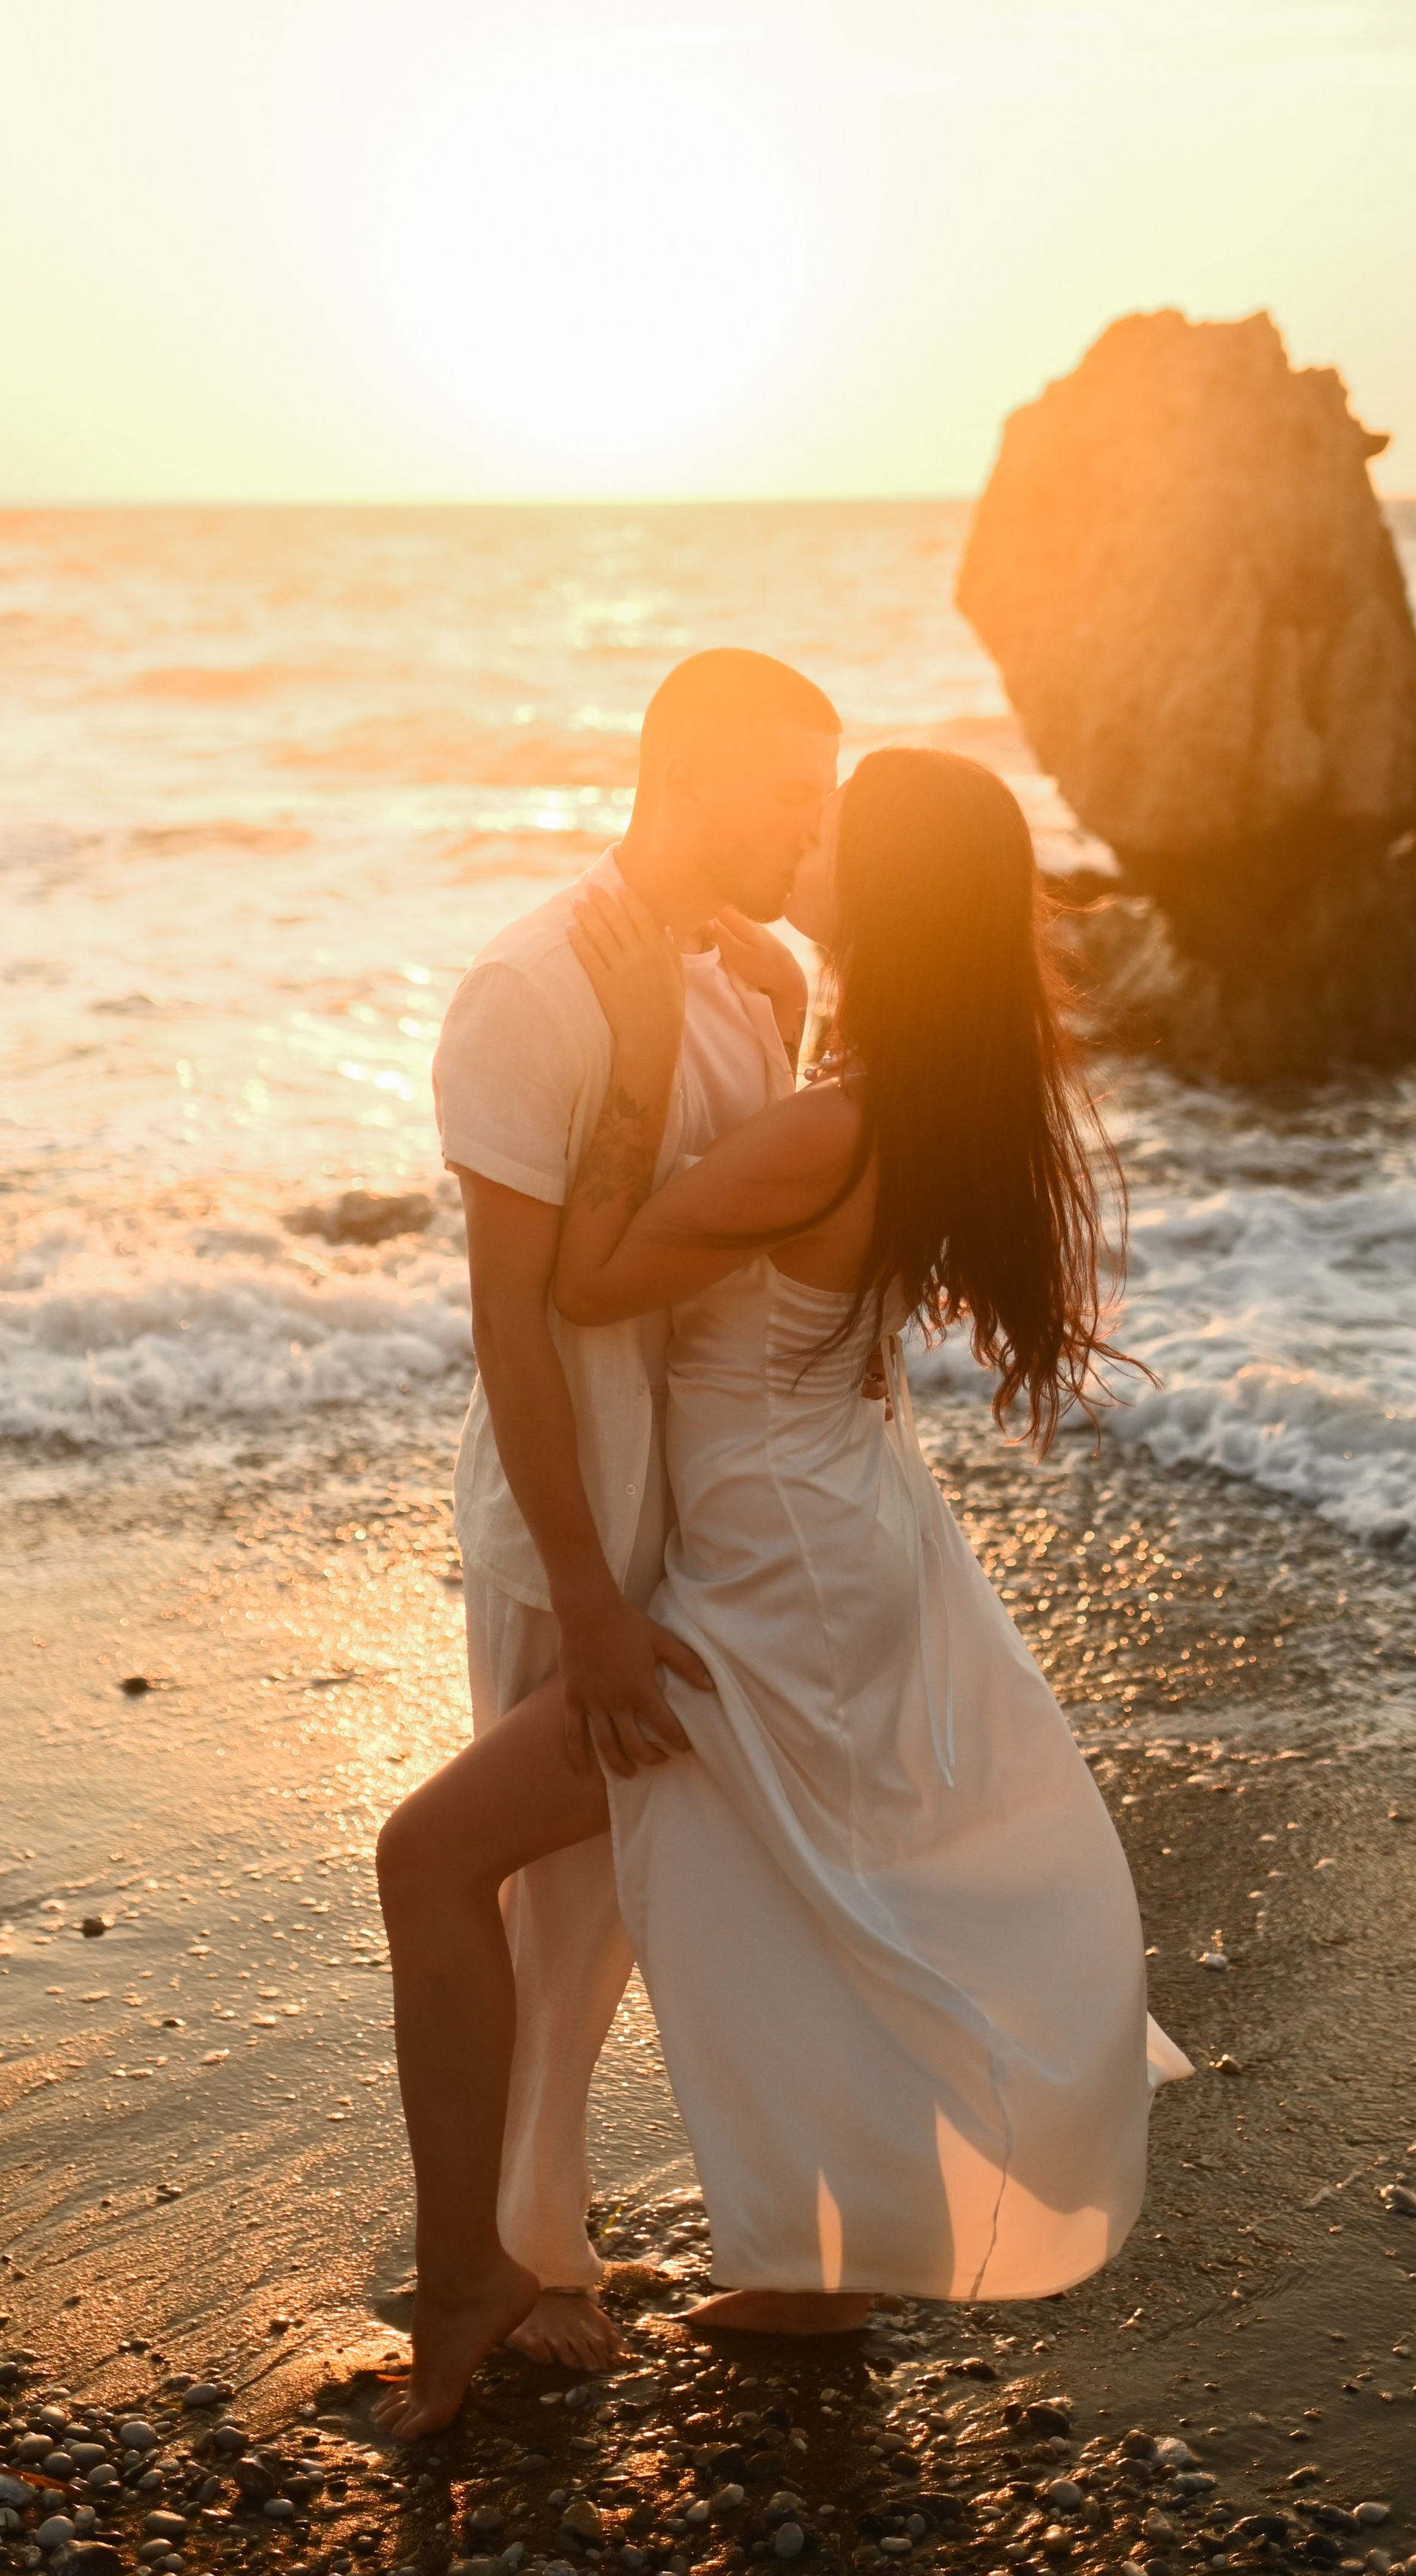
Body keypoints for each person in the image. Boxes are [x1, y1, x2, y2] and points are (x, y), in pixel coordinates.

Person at [379, 743, 1189, 2441]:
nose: (798, 837)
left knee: (432, 1855)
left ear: (876, 896)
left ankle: (466, 2273)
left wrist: (647, 1058)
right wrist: (751, 985)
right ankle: (816, 2280)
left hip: (770, 1573)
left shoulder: (831, 1123)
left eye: (831, 834)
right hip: (838, 1526)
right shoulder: (902, 1084)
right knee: (806, 1888)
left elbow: (588, 1279)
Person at [423, 646, 842, 2374]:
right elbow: (513, 1319)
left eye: (826, 796)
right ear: (682, 782)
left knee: (693, 1895)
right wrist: (588, 1594)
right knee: (557, 1907)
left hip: (721, 1519)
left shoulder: (768, 971)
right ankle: (536, 2263)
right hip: (574, 1522)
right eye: (786, 795)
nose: (812, 832)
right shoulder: (529, 993)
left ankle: (759, 2242)